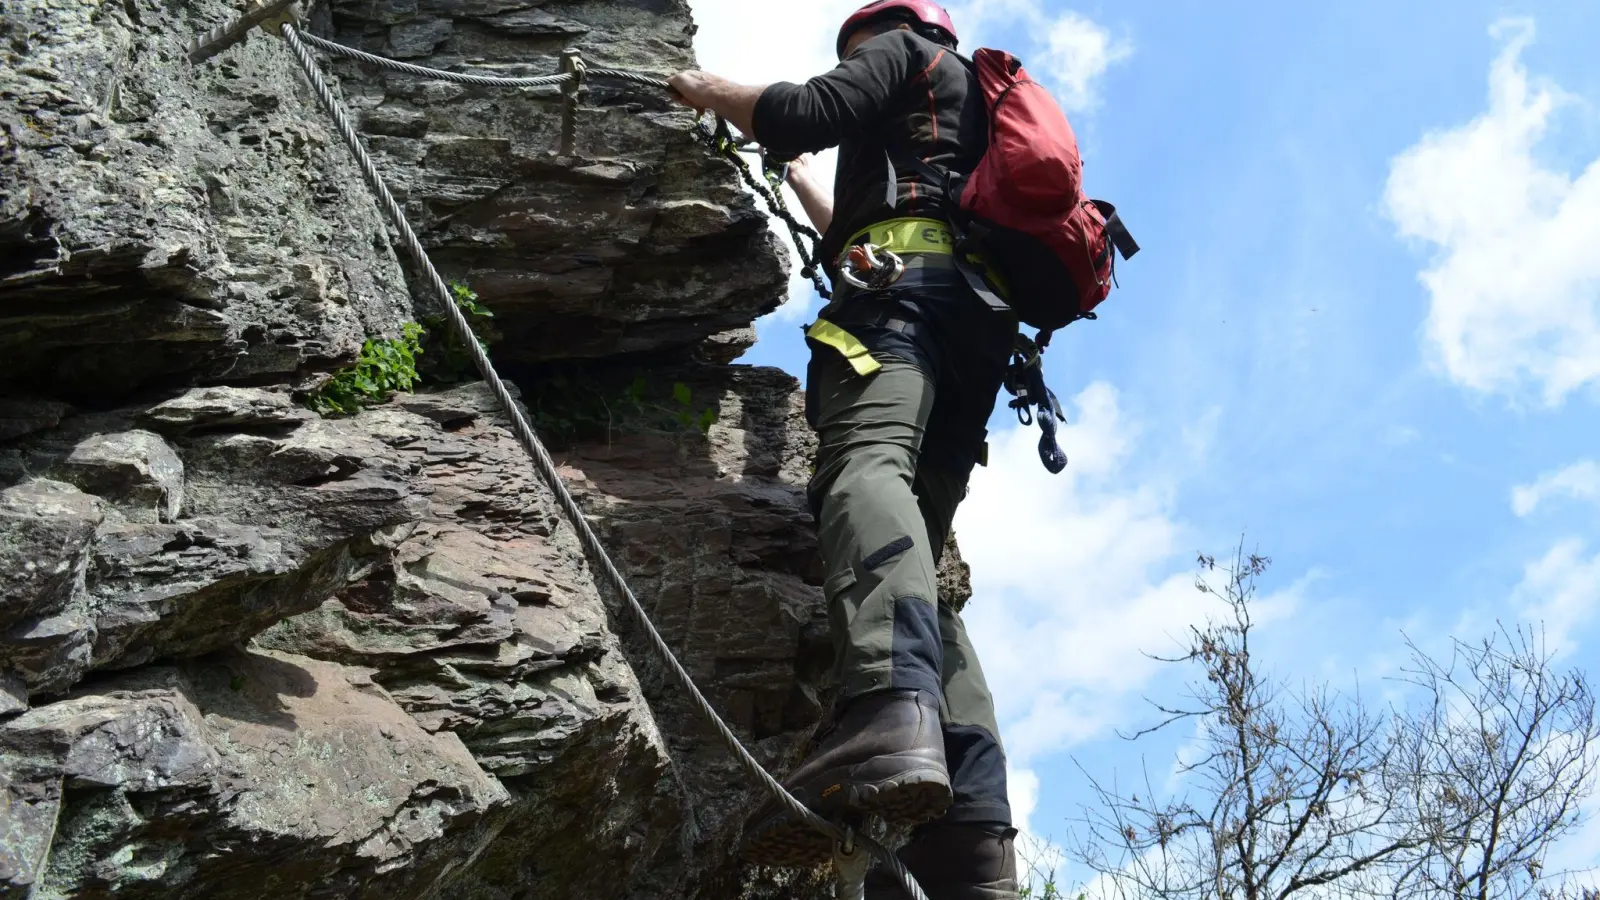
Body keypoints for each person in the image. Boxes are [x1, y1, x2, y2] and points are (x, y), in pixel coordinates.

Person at [669, 2, 1020, 897]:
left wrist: (703, 90)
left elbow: (801, 112)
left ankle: (889, 711)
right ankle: (974, 848)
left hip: (898, 310)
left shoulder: (900, 53)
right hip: (972, 333)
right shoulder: (968, 109)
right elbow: (880, 217)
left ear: (886, 33)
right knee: (926, 568)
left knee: (863, 468)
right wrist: (797, 186)